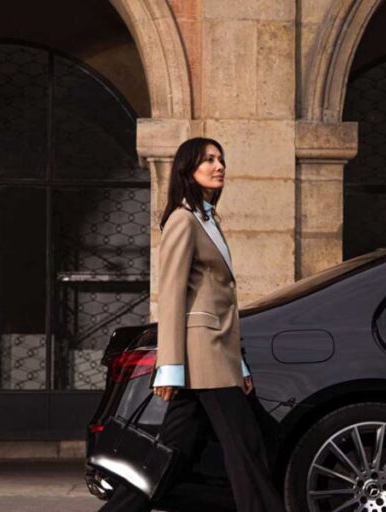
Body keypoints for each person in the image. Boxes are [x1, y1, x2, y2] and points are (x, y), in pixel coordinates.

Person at [100, 137, 285, 512]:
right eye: (208, 160)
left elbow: (220, 302)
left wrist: (240, 365)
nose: (219, 166)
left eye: (221, 159)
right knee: (246, 445)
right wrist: (169, 367)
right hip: (204, 355)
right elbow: (171, 296)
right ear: (188, 170)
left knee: (172, 451)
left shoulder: (208, 219)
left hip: (217, 354)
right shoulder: (182, 220)